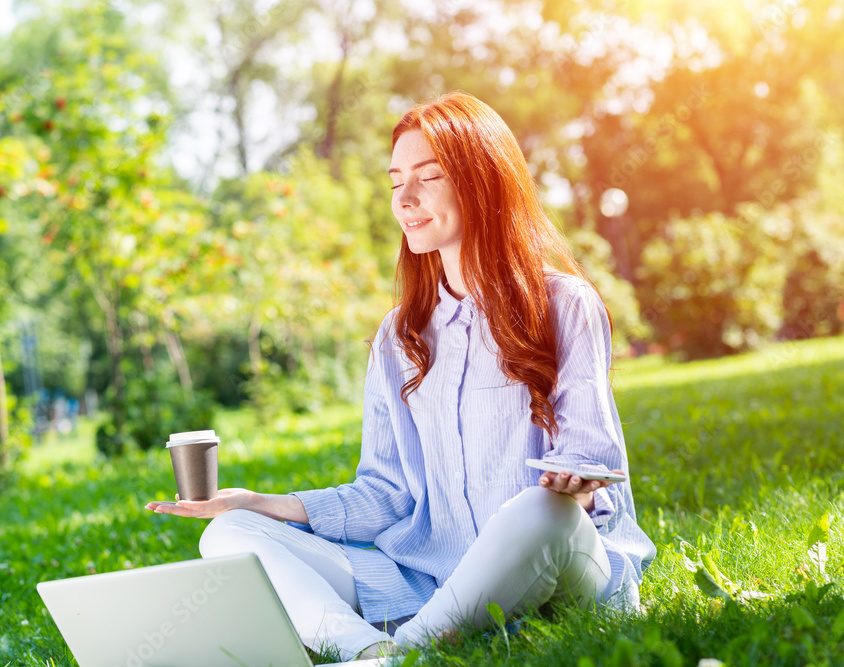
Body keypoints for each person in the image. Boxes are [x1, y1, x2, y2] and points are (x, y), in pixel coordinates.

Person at [146, 91, 655, 661]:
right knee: (228, 534)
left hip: (560, 565)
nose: (406, 199)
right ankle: (364, 650)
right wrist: (264, 503)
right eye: (396, 182)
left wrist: (577, 485)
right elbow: (385, 492)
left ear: (483, 183)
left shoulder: (563, 304)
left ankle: (407, 652)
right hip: (426, 579)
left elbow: (591, 457)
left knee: (539, 510)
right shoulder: (399, 336)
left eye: (429, 177)